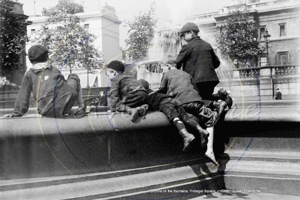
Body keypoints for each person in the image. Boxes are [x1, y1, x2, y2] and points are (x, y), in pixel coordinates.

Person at [152, 68, 227, 164]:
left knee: (186, 117)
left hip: (181, 103)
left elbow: (162, 90)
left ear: (168, 66)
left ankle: (197, 132)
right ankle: (210, 150)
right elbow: (196, 89)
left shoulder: (166, 74)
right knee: (210, 119)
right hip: (195, 101)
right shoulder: (187, 74)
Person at [1, 45, 86, 118]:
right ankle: (81, 107)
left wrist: (16, 113)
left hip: (44, 109)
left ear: (31, 60)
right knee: (73, 76)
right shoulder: (54, 70)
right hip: (65, 104)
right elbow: (65, 88)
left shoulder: (29, 74)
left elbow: (22, 96)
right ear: (47, 57)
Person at [138, 79, 208, 152]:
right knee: (185, 118)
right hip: (174, 101)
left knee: (175, 119)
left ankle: (186, 135)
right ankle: (201, 130)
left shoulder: (145, 96)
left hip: (165, 104)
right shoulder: (154, 91)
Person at [164, 22, 223, 109]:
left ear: (191, 32)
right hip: (211, 79)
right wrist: (205, 67)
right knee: (206, 98)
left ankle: (216, 104)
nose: (182, 38)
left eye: (183, 35)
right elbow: (217, 63)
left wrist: (166, 61)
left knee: (194, 101)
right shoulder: (207, 45)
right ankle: (220, 98)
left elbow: (176, 63)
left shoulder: (187, 47)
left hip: (196, 80)